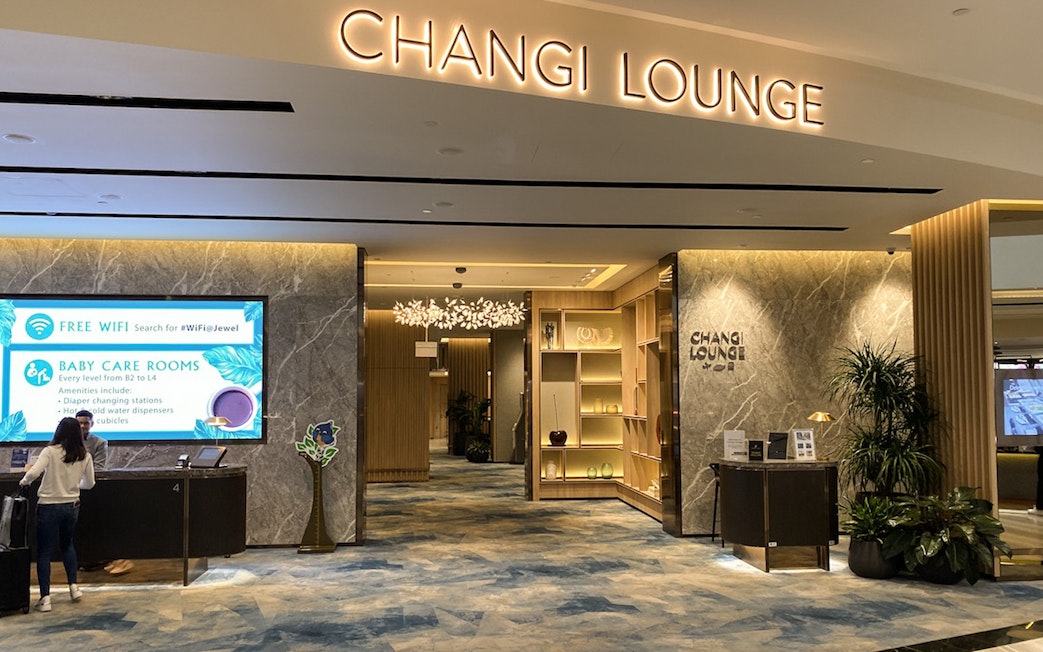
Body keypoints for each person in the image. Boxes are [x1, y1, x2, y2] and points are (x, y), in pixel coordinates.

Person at [18, 417, 96, 613]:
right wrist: (71, 486)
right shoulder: (84, 455)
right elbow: (90, 484)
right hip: (72, 506)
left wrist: (24, 481)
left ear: (58, 431)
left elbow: (34, 473)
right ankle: (74, 588)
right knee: (67, 545)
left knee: (44, 552)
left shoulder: (50, 452)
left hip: (48, 506)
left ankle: (45, 598)